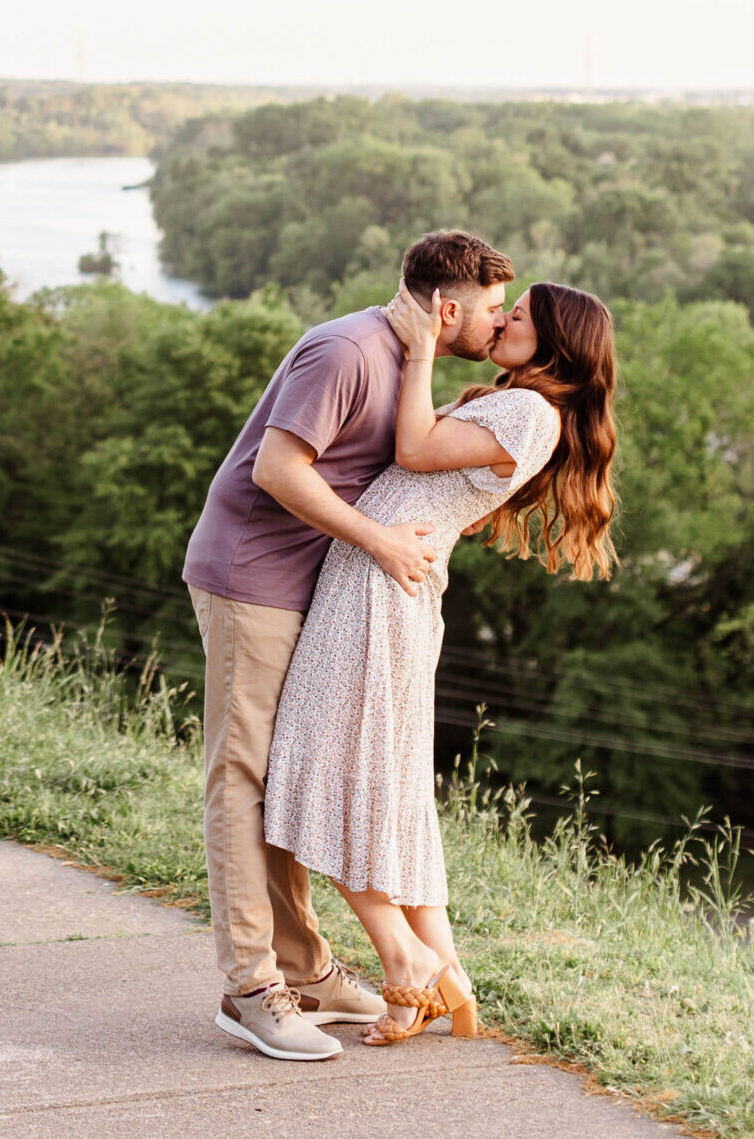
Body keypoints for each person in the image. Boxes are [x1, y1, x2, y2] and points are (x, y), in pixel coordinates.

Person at [183, 231, 515, 1062]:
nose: (499, 321)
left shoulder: (405, 359)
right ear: (447, 308)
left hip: (311, 590)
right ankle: (250, 988)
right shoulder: (347, 350)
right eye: (490, 309)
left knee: (287, 775)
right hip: (251, 577)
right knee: (243, 779)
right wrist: (380, 542)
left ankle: (308, 968)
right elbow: (275, 471)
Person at [264, 278, 618, 1045]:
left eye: (516, 316)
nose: (501, 322)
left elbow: (413, 448)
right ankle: (445, 980)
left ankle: (405, 963)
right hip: (379, 578)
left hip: (378, 587)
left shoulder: (530, 412)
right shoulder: (514, 401)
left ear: (553, 340)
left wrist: (420, 347)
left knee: (319, 768)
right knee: (376, 785)